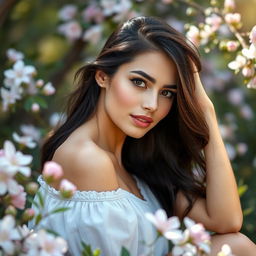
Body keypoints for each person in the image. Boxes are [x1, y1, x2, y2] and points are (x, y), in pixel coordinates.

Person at [29, 16, 256, 255]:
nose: (152, 105)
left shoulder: (137, 160)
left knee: (236, 245)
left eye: (167, 92)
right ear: (102, 77)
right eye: (139, 82)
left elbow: (226, 221)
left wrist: (207, 114)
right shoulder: (86, 158)